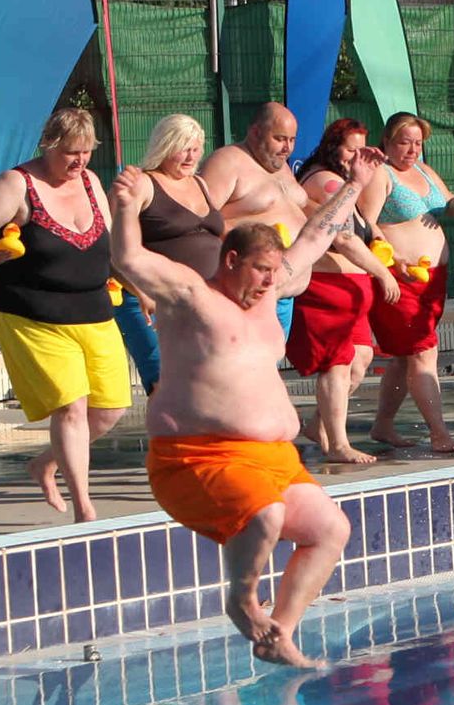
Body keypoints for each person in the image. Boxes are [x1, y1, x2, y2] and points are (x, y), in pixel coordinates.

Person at [109, 152, 373, 667]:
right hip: (197, 456)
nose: (270, 283)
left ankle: (279, 635)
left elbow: (317, 234)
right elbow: (129, 259)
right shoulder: (191, 296)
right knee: (266, 513)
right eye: (261, 271)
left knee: (329, 530)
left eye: (276, 273)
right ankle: (240, 599)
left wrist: (354, 186)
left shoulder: (271, 285)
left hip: (273, 459)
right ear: (231, 260)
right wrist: (123, 207)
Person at [0, 107, 129, 523]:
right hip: (33, 313)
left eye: (86, 152)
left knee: (109, 409)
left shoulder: (90, 181)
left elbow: (109, 245)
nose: (79, 161)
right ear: (49, 144)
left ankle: (46, 463)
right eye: (70, 152)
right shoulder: (18, 184)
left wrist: (143, 287)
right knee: (71, 406)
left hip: (93, 309)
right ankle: (85, 510)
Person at [359, 112, 454, 454]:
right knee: (423, 353)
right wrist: (393, 261)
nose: (411, 149)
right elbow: (367, 224)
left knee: (403, 357)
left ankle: (382, 425)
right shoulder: (381, 175)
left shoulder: (424, 171)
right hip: (402, 277)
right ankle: (439, 431)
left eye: (417, 143)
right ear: (387, 141)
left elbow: (447, 208)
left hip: (432, 280)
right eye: (404, 142)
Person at [292, 119, 403, 464]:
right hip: (329, 286)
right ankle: (339, 445)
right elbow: (342, 236)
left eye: (360, 149)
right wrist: (382, 272)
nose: (355, 156)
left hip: (350, 287)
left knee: (361, 360)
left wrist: (378, 238)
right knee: (338, 364)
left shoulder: (344, 183)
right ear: (331, 146)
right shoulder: (325, 180)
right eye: (349, 149)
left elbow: (360, 226)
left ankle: (318, 426)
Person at [112, 113, 223, 394]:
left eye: (195, 148)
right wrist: (141, 292)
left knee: (205, 381)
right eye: (182, 148)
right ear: (164, 145)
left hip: (202, 301)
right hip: (150, 299)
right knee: (166, 383)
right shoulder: (142, 184)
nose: (190, 156)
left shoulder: (200, 184)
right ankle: (166, 438)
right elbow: (113, 248)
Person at [200, 104, 309, 337]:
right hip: (246, 293)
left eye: (292, 140)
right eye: (279, 138)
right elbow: (202, 216)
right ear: (256, 132)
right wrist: (251, 244)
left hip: (283, 295)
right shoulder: (228, 161)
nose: (287, 148)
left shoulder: (281, 167)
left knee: (266, 367)